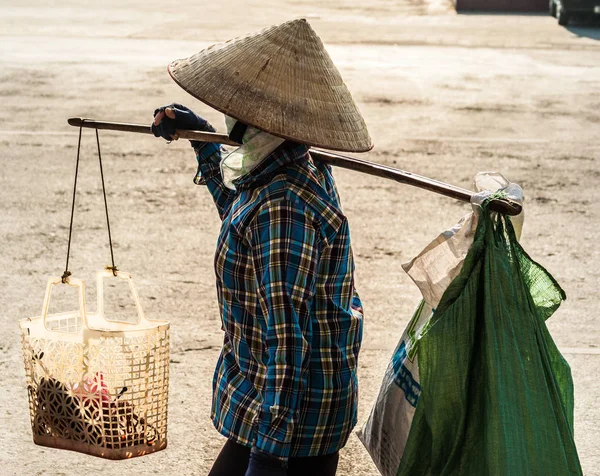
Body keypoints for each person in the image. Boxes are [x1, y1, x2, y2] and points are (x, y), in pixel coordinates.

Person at [152, 19, 372, 476]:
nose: (229, 118)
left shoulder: (284, 205)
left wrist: (269, 454)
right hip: (270, 399)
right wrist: (202, 141)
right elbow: (241, 219)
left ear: (260, 122)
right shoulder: (281, 169)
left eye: (235, 114)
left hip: (291, 420)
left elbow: (288, 337)